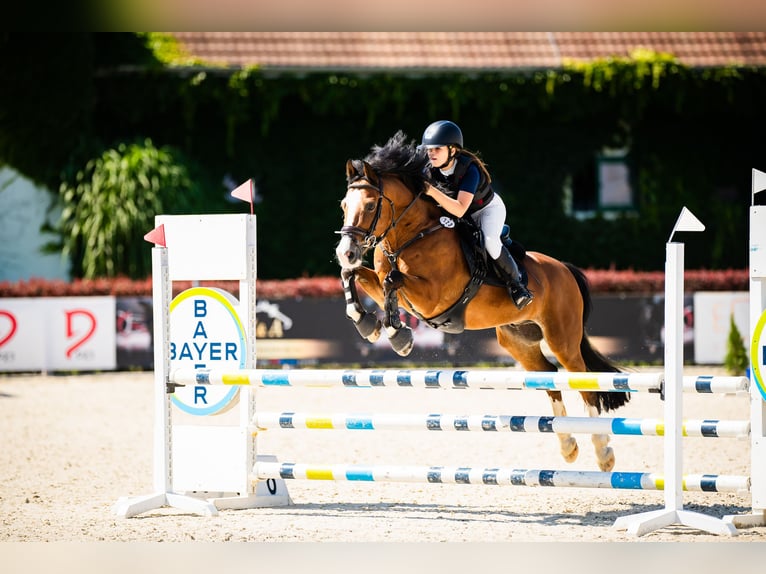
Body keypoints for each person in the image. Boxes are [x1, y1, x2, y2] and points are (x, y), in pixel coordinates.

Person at [420, 120, 533, 310]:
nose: (431, 153)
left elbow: (460, 208)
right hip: (461, 215)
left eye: (437, 149)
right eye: (429, 149)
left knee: (489, 241)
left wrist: (430, 191)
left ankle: (518, 286)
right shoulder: (429, 168)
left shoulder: (469, 170)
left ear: (453, 150)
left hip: (487, 210)